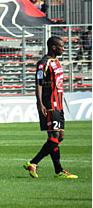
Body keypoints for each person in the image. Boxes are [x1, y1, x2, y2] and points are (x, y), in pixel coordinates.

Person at [23, 37, 78, 179]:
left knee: (60, 137)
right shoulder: (43, 63)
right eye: (61, 46)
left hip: (59, 105)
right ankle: (37, 164)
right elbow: (39, 84)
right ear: (53, 47)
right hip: (49, 104)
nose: (63, 48)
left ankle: (54, 169)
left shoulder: (57, 62)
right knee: (53, 137)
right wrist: (40, 103)